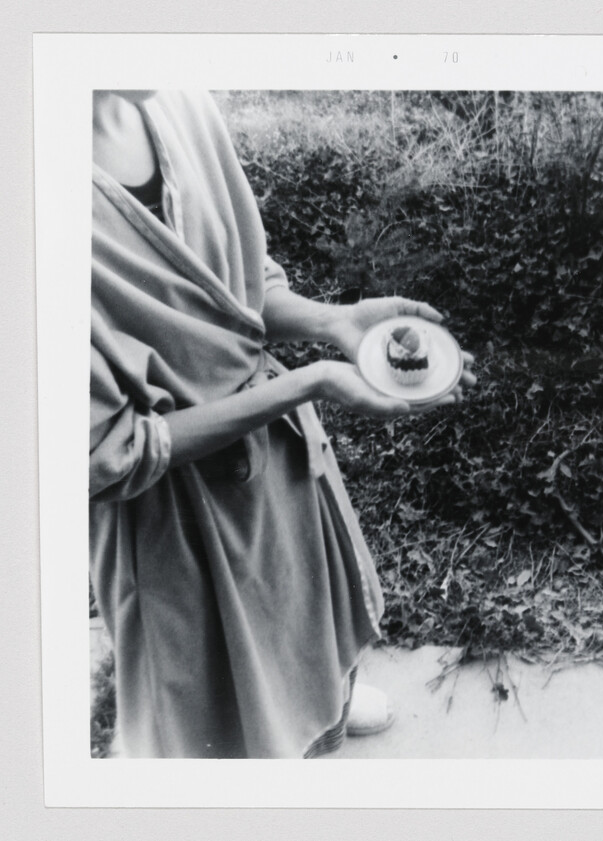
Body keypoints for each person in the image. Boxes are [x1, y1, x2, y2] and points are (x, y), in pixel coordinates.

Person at [90, 90, 475, 758]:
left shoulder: (181, 100)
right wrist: (313, 381)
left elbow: (244, 282)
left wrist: (333, 321)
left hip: (274, 458)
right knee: (217, 716)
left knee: (301, 616)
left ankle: (321, 702)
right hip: (174, 511)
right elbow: (112, 450)